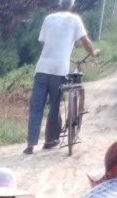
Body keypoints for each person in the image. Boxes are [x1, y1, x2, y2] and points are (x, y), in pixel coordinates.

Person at [24, 0, 99, 155]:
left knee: (36, 107)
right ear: (72, 6)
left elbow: (44, 41)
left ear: (59, 5)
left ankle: (31, 144)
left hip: (42, 68)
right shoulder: (75, 20)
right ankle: (50, 140)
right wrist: (93, 53)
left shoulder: (49, 19)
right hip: (60, 70)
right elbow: (85, 42)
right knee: (55, 105)